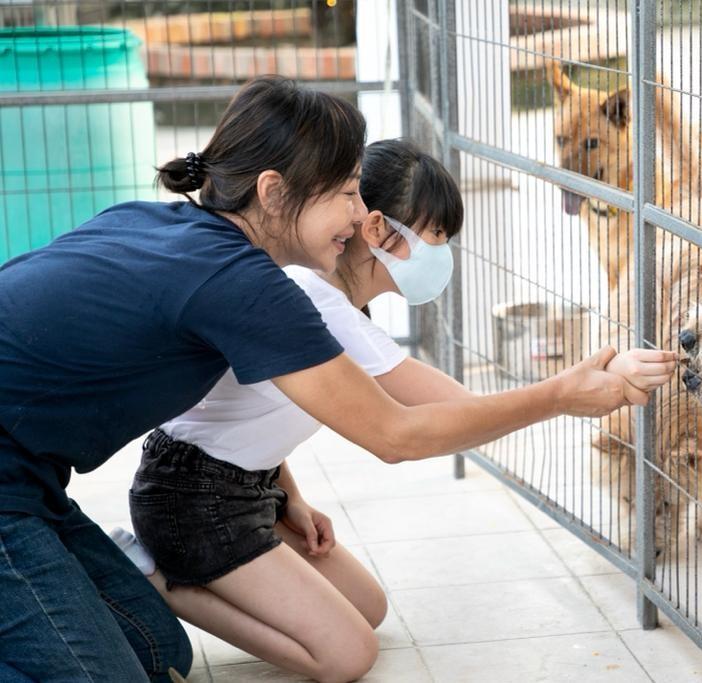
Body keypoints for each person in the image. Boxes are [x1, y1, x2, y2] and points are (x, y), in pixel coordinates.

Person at [0, 76, 666, 682]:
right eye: (347, 191)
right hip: (21, 477)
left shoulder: (175, 231)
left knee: (158, 652)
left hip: (32, 475)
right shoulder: (253, 289)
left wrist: (279, 487)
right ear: (272, 192)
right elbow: (396, 433)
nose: (358, 214)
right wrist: (559, 394)